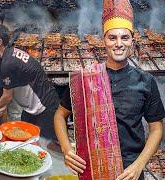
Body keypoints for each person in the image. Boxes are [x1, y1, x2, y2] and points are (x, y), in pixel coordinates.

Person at [54, 0, 164, 179]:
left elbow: (157, 128)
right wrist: (67, 149)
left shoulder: (146, 81)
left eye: (124, 37)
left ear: (132, 41)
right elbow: (60, 115)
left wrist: (139, 165)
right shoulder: (84, 79)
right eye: (112, 37)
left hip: (130, 172)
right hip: (92, 168)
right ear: (103, 41)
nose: (118, 43)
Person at [0, 24, 59, 140]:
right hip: (32, 107)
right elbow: (13, 85)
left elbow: (7, 96)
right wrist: (1, 107)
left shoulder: (8, 64)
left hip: (45, 105)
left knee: (48, 142)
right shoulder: (11, 53)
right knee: (26, 138)